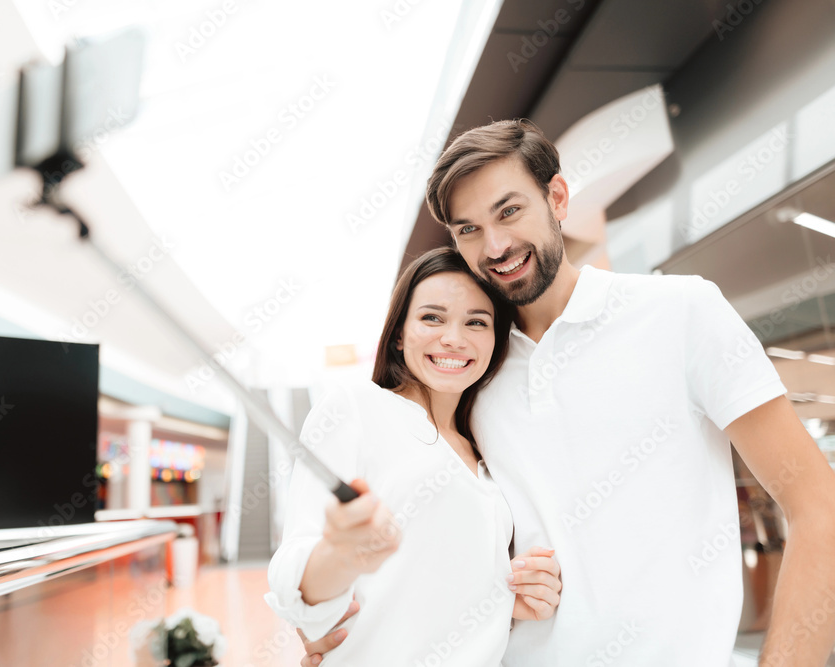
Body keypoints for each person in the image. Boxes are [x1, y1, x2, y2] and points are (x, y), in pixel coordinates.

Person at [300, 119, 835, 666]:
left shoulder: (682, 312)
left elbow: (820, 506)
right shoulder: (470, 371)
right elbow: (428, 540)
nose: (497, 245)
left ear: (557, 196)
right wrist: (337, 619)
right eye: (469, 230)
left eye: (509, 211)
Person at [265, 247, 563, 665]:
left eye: (476, 322)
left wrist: (514, 599)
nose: (454, 338)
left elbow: (435, 579)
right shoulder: (356, 407)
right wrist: (341, 554)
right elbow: (293, 576)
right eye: (432, 317)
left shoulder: (486, 449)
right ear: (400, 332)